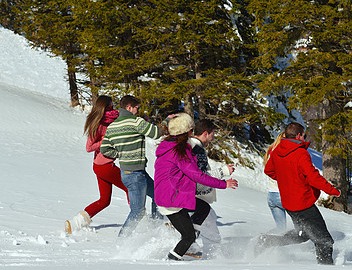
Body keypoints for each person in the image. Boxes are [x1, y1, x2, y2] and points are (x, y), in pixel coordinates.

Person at [154, 113, 238, 261]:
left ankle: (191, 243)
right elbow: (198, 175)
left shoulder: (168, 145)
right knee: (188, 237)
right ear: (187, 132)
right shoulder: (180, 151)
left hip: (171, 195)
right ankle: (171, 261)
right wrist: (224, 183)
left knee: (203, 208)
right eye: (191, 130)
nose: (192, 133)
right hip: (172, 199)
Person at [263, 122, 340, 265]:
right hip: (303, 205)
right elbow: (313, 177)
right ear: (299, 135)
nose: (304, 138)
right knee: (324, 240)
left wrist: (287, 179)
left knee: (303, 234)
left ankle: (269, 241)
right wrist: (333, 191)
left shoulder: (278, 149)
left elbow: (269, 170)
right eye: (304, 135)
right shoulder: (300, 153)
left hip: (289, 204)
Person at [65, 95, 129, 234]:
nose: (113, 109)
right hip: (104, 166)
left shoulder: (110, 121)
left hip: (101, 165)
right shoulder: (98, 124)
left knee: (104, 200)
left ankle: (75, 223)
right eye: (110, 107)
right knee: (130, 188)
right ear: (103, 108)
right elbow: (89, 147)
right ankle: (138, 220)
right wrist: (107, 140)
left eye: (113, 106)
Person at [100, 95, 162, 237]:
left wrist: (120, 154)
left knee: (158, 196)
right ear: (129, 107)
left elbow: (104, 149)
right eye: (136, 108)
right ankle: (122, 241)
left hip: (128, 173)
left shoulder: (113, 126)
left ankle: (157, 229)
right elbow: (156, 133)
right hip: (136, 175)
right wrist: (161, 121)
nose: (137, 111)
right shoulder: (136, 121)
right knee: (137, 212)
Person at [187, 119, 235, 259]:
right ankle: (212, 255)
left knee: (207, 219)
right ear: (206, 133)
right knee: (209, 222)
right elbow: (200, 177)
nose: (213, 137)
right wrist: (223, 171)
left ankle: (202, 250)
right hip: (193, 195)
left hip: (186, 194)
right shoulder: (198, 149)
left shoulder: (188, 144)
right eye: (213, 134)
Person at [263, 132, 287, 233]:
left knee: (281, 229)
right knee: (302, 225)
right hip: (283, 195)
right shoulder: (283, 153)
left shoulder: (270, 151)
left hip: (272, 195)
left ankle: (266, 240)